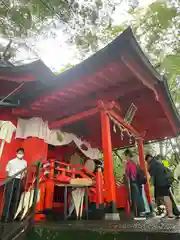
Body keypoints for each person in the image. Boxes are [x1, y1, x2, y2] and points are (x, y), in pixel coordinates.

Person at [145, 154, 174, 219]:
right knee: (166, 197)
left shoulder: (151, 164)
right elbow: (167, 168)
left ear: (148, 159)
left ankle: (168, 213)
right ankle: (169, 213)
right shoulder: (161, 161)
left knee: (162, 198)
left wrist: (147, 181)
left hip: (160, 183)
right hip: (167, 181)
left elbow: (150, 176)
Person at [2, 148, 27, 221]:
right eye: (19, 152)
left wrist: (23, 177)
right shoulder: (11, 162)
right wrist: (8, 180)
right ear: (16, 153)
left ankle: (12, 216)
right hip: (11, 179)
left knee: (16, 198)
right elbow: (7, 171)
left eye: (21, 153)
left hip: (19, 180)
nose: (20, 154)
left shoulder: (25, 162)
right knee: (8, 198)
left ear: (23, 154)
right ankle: (5, 216)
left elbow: (25, 171)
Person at [124, 149, 146, 218]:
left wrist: (132, 181)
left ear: (127, 155)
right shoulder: (135, 162)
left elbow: (131, 174)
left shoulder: (130, 163)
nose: (125, 158)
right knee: (139, 197)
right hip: (138, 182)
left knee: (136, 198)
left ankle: (139, 214)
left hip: (134, 183)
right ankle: (142, 212)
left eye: (125, 156)